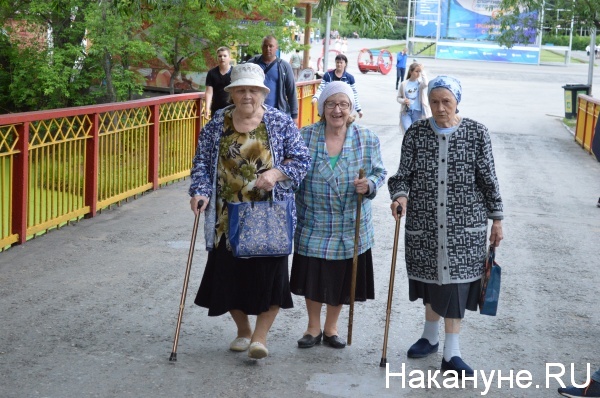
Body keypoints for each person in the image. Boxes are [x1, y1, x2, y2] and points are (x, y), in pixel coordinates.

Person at [188, 63, 310, 360]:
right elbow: (202, 163)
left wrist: (277, 174)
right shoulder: (218, 122)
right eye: (240, 89)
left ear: (262, 93)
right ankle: (243, 330)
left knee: (270, 278)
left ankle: (260, 337)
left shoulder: (279, 121)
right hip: (226, 215)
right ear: (230, 93)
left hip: (269, 215)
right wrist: (199, 191)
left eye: (253, 90)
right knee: (228, 277)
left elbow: (302, 159)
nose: (247, 95)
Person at [387, 75, 504, 376]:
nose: (440, 108)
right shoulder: (415, 133)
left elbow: (489, 180)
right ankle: (430, 336)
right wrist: (400, 197)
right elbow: (402, 176)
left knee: (453, 287)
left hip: (464, 229)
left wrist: (498, 219)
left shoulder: (477, 133)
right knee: (432, 283)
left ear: (457, 102)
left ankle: (452, 353)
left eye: (446, 102)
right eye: (435, 102)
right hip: (424, 225)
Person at [290, 81, 387, 349]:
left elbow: (380, 173)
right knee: (313, 275)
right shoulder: (305, 136)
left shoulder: (366, 138)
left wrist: (369, 185)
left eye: (343, 104)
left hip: (349, 223)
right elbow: (292, 172)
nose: (337, 110)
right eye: (331, 104)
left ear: (351, 109)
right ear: (322, 108)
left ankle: (331, 328)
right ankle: (313, 327)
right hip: (314, 220)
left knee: (340, 276)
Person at [247, 36, 299, 124]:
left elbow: (291, 92)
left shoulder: (284, 66)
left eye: (271, 46)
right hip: (254, 113)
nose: (268, 49)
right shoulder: (252, 64)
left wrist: (294, 116)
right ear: (261, 47)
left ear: (276, 48)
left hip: (277, 114)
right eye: (265, 46)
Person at [312, 54, 363, 118]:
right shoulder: (328, 75)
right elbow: (321, 89)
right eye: (337, 62)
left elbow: (354, 95)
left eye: (341, 62)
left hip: (343, 108)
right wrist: (316, 97)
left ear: (345, 64)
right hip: (329, 106)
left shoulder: (350, 78)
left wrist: (359, 110)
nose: (339, 64)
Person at [397, 62, 431, 133]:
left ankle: (413, 144)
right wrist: (403, 100)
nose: (418, 73)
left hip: (417, 112)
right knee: (408, 131)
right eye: (416, 71)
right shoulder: (404, 84)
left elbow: (426, 83)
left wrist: (422, 71)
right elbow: (398, 98)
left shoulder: (419, 84)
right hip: (406, 112)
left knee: (415, 132)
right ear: (411, 71)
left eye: (419, 71)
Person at [204, 46, 232, 119]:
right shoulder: (211, 73)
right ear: (217, 58)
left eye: (225, 56)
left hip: (232, 109)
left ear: (229, 58)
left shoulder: (235, 72)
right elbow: (209, 92)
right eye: (220, 56)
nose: (222, 58)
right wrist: (207, 108)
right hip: (216, 109)